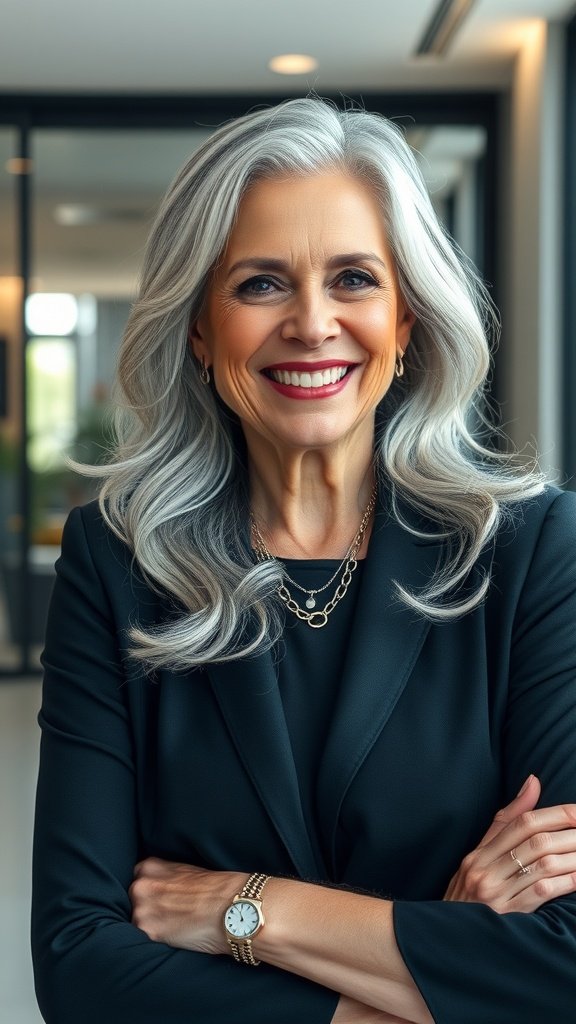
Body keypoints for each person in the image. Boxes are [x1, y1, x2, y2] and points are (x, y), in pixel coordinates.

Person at [31, 97, 576, 1024]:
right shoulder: (116, 562)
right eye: (260, 284)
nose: (313, 323)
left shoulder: (531, 550)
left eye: (355, 278)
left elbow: (565, 965)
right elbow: (79, 966)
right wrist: (441, 966)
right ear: (199, 330)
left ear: (407, 321)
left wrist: (249, 910)